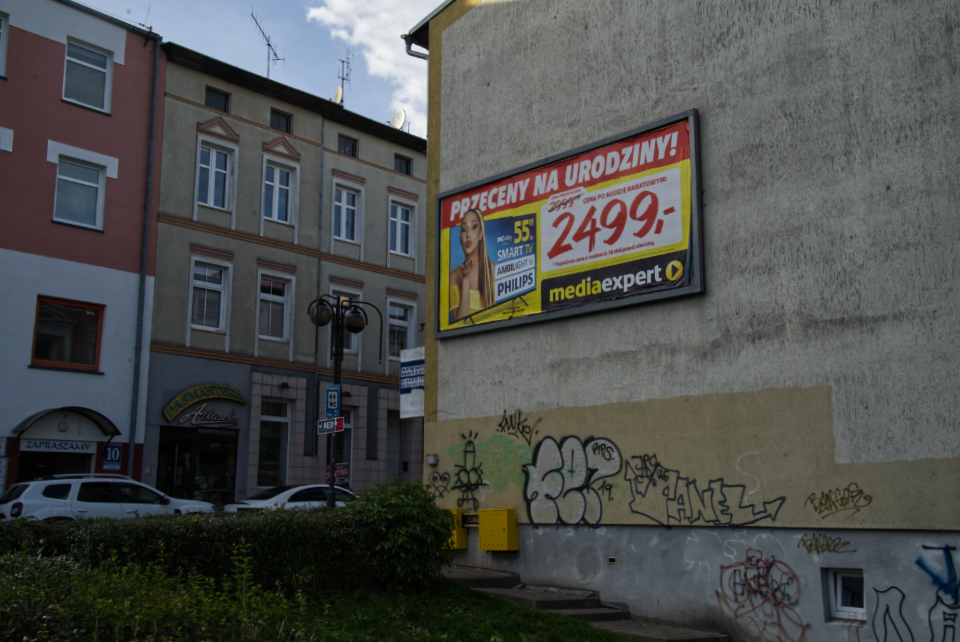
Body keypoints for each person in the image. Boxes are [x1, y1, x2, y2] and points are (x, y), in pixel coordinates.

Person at [450, 208, 496, 321]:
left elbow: (495, 318)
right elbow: (460, 324)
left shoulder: (491, 269)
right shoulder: (454, 276)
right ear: (460, 239)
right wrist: (465, 279)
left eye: (474, 227)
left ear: (481, 234)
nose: (468, 235)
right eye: (464, 229)